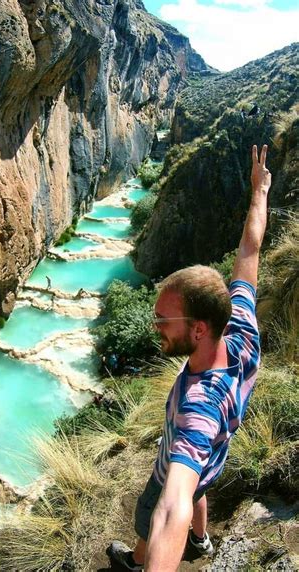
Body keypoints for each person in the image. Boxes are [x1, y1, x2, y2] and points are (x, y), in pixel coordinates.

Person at [107, 144, 271, 571]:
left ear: (198, 329)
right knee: (198, 485)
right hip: (212, 461)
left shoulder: (200, 407)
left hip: (176, 470)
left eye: (164, 320)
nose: (155, 327)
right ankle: (201, 542)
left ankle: (136, 561)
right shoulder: (240, 328)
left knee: (154, 517)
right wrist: (260, 191)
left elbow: (172, 504)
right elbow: (250, 251)